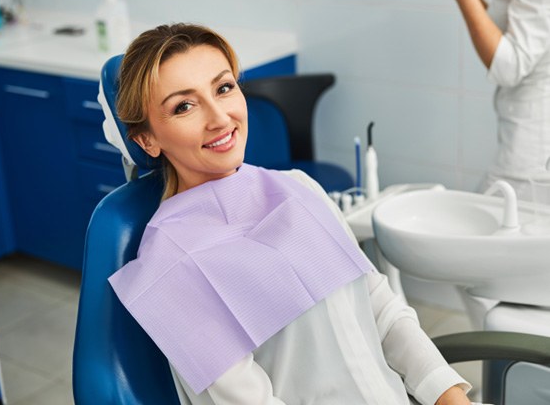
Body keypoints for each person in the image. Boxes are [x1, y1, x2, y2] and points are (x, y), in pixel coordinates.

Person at [108, 23, 475, 405]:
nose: (219, 118)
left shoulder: (299, 188)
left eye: (223, 88)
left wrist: (449, 396)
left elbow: (380, 307)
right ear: (146, 139)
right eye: (184, 106)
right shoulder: (170, 268)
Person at [453, 0, 550, 201]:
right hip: (523, 139)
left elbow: (509, 66)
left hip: (531, 155)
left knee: (482, 221)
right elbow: (501, 33)